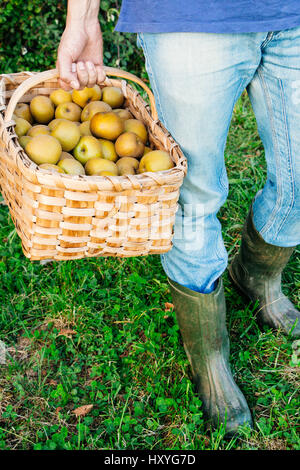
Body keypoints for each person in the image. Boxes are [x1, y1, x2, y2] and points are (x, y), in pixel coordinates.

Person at [57, 0, 300, 436]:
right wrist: (82, 18)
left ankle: (258, 277)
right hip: (189, 15)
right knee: (193, 194)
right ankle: (208, 353)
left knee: (298, 182)